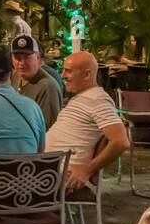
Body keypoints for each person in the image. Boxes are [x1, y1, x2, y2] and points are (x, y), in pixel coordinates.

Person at [44, 51, 130, 192]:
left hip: (54, 175)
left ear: (87, 75)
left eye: (69, 71)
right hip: (45, 169)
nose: (63, 75)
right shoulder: (82, 97)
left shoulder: (98, 100)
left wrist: (87, 170)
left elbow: (121, 142)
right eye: (63, 70)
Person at [12, 35, 64, 129]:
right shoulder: (16, 76)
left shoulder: (47, 86)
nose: (21, 63)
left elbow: (47, 129)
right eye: (17, 58)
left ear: (38, 58)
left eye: (27, 57)